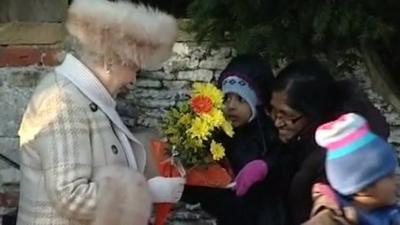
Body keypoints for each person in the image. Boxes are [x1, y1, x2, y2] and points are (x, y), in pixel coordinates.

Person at [17, 1, 184, 225]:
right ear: (110, 60)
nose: (133, 80)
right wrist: (146, 192)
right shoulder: (63, 100)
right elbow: (71, 196)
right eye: (134, 67)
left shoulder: (84, 96)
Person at [268, 58, 390, 225]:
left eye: (286, 115)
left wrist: (324, 211)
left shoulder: (346, 153)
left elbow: (329, 202)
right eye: (274, 112)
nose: (277, 122)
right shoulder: (300, 134)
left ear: (312, 111)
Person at [182, 55, 287, 225]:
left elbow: (285, 164)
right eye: (226, 98)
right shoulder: (218, 137)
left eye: (241, 99)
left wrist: (266, 166)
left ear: (258, 102)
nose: (231, 106)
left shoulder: (270, 135)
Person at [303, 113, 400, 225]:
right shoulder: (329, 220)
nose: (397, 180)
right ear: (364, 188)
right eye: (390, 176)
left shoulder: (389, 214)